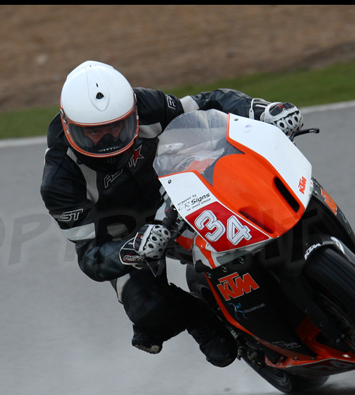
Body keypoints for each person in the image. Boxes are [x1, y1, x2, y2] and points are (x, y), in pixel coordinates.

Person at [40, 60, 303, 367]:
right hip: (128, 236)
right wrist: (131, 249)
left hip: (179, 190)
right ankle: (198, 317)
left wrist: (260, 111)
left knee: (255, 196)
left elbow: (206, 106)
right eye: (95, 133)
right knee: (150, 312)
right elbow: (90, 256)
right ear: (70, 126)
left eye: (117, 126)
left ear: (132, 114)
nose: (109, 139)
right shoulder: (60, 180)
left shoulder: (145, 104)